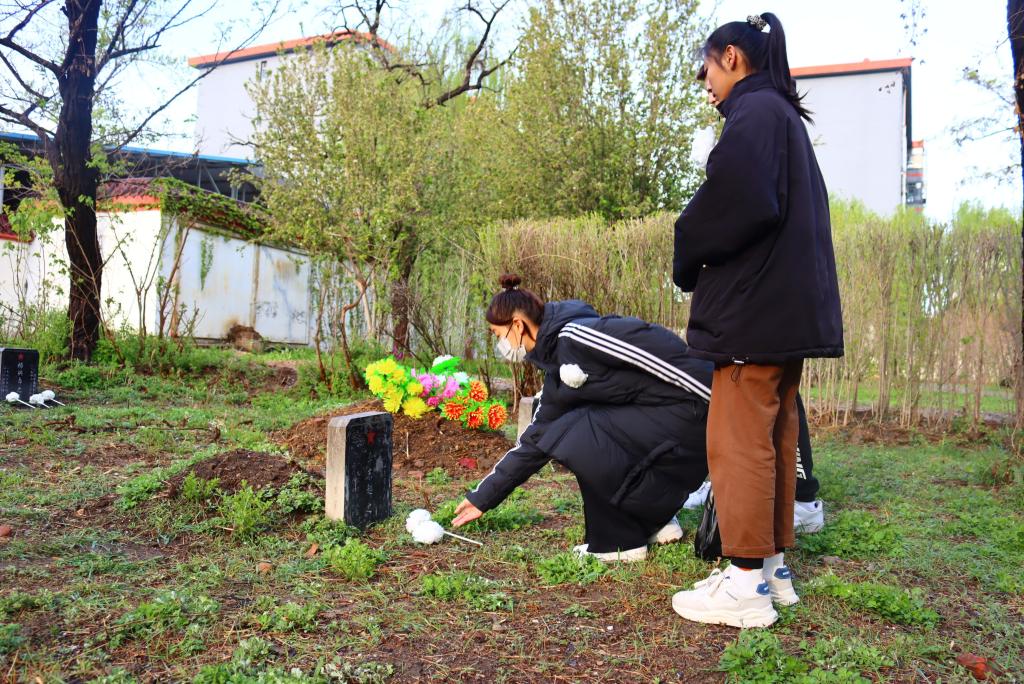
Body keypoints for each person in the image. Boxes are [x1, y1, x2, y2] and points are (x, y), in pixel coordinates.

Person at [670, 12, 843, 628]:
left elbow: (735, 203)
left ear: (732, 57)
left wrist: (685, 247)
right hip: (782, 313)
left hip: (753, 310)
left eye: (706, 71)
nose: (706, 86)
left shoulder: (756, 113)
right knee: (773, 439)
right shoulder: (782, 116)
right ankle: (771, 570)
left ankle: (744, 586)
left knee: (738, 441)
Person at [451, 275, 713, 562]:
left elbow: (660, 351)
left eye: (498, 334)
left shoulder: (580, 335)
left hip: (693, 417)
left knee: (578, 430)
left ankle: (619, 543)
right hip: (670, 427)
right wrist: (483, 497)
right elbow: (535, 439)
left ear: (517, 324)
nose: (500, 344)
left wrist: (718, 403)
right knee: (566, 429)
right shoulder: (556, 368)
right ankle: (651, 522)